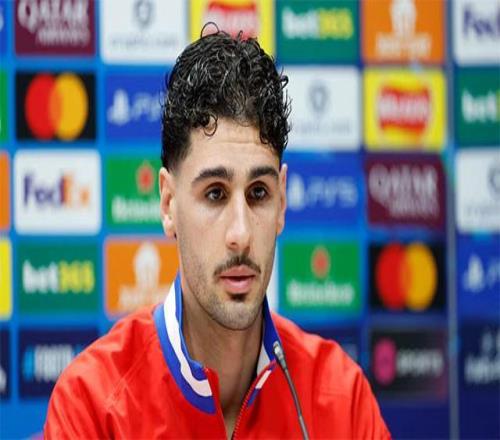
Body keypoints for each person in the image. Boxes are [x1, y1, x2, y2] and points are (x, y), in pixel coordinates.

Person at [44, 29, 390, 439]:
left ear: (281, 202)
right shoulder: (92, 404)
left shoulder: (343, 399)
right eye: (215, 194)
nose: (240, 234)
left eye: (258, 193)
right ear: (168, 204)